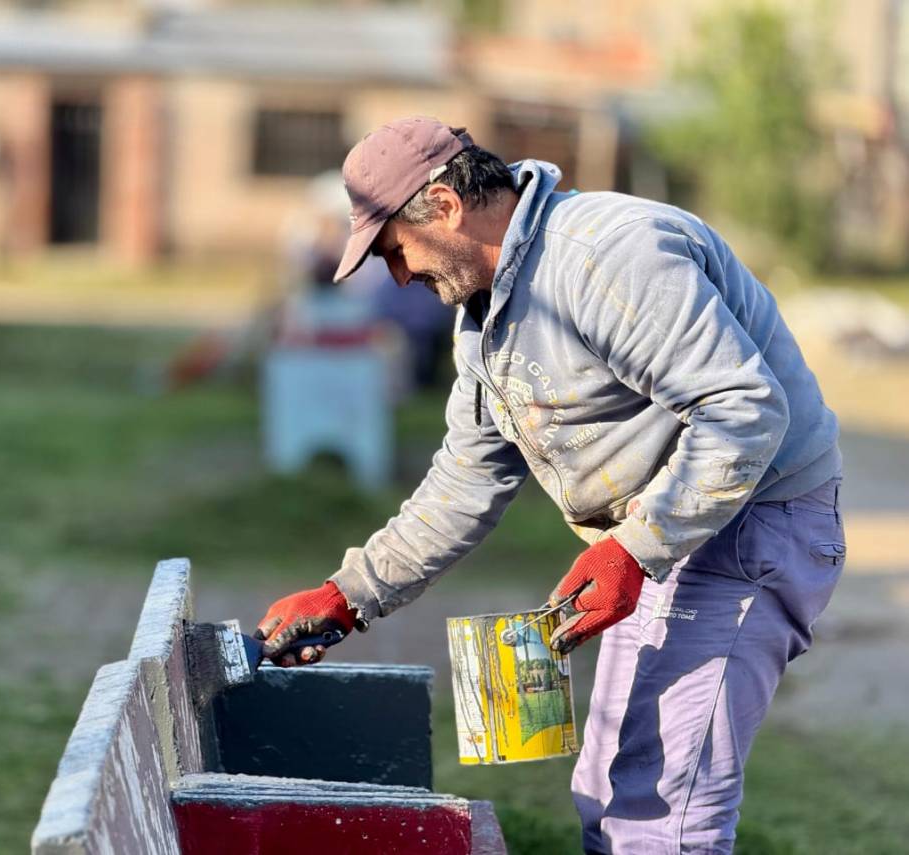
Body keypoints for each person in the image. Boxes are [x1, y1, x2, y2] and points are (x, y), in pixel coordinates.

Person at [253, 116, 844, 853]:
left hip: (755, 521)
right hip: (666, 537)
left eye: (392, 251)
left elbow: (745, 411)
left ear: (443, 205)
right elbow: (463, 483)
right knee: (607, 793)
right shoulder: (484, 321)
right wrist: (349, 595)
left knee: (663, 815)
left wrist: (633, 547)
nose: (397, 277)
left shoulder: (605, 257)